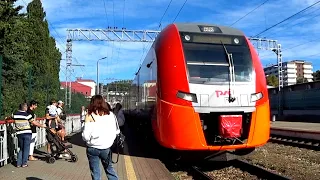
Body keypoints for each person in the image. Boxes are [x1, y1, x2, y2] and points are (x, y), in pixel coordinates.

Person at [82, 95, 119, 180]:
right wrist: (109, 142)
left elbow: (85, 137)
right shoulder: (111, 115)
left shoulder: (89, 115)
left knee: (95, 173)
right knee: (110, 170)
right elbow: (116, 132)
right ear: (103, 102)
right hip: (106, 148)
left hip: (92, 149)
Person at [13, 103, 45, 167]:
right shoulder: (27, 115)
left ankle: (18, 163)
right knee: (26, 148)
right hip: (27, 133)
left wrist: (6, 118)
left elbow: (10, 117)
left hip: (19, 133)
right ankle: (24, 163)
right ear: (25, 108)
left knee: (21, 148)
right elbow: (34, 122)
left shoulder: (15, 114)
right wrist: (42, 125)